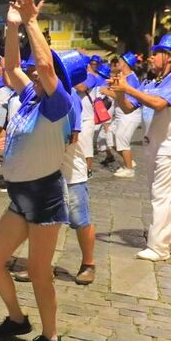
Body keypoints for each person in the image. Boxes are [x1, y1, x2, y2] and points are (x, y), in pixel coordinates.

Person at [0, 0, 86, 341]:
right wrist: (11, 28)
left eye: (50, 68)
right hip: (20, 195)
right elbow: (11, 69)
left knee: (40, 273)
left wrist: (30, 22)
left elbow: (42, 67)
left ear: (59, 76)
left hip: (43, 196)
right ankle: (16, 319)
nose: (39, 69)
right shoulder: (31, 96)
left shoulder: (61, 103)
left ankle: (52, 337)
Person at [110, 34, 171, 262]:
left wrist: (129, 88)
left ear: (168, 57)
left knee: (161, 196)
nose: (151, 57)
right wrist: (119, 91)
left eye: (156, 53)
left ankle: (158, 248)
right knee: (163, 196)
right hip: (155, 145)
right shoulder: (150, 82)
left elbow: (158, 104)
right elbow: (128, 108)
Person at [61, 79, 97, 285]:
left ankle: (88, 263)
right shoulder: (38, 94)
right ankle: (39, 264)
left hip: (70, 172)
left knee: (79, 219)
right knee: (43, 221)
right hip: (47, 171)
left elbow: (70, 136)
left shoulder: (70, 96)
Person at [108, 52, 143, 178]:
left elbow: (126, 100)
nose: (117, 63)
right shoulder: (123, 77)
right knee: (110, 139)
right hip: (119, 115)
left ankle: (129, 169)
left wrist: (108, 91)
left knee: (122, 140)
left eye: (120, 61)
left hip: (129, 115)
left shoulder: (131, 79)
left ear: (125, 64)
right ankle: (129, 161)